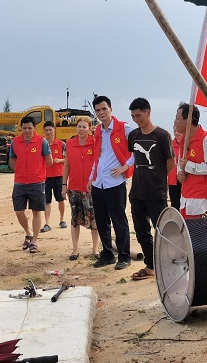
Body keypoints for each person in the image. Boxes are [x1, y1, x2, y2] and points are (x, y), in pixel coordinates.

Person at [127, 97, 174, 281]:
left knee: (161, 229)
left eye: (138, 115)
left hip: (156, 192)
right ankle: (150, 265)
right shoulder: (133, 136)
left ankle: (168, 262)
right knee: (141, 230)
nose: (136, 119)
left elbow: (171, 161)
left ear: (148, 112)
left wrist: (159, 177)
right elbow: (133, 158)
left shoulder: (162, 135)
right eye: (132, 116)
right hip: (137, 191)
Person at [88, 95, 133, 269]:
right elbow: (97, 156)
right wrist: (91, 178)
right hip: (99, 182)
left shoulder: (124, 128)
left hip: (115, 183)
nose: (101, 113)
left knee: (119, 220)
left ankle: (124, 255)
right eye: (98, 110)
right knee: (101, 220)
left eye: (104, 109)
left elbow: (138, 149)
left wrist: (125, 166)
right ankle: (107, 254)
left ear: (111, 109)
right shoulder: (98, 130)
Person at [9, 116, 53, 252]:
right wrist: (20, 171)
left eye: (30, 128)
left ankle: (34, 241)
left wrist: (37, 171)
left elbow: (49, 160)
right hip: (20, 182)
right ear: (21, 128)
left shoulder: (41, 141)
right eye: (24, 128)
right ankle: (28, 232)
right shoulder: (15, 142)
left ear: (34, 128)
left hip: (37, 182)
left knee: (36, 212)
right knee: (19, 211)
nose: (27, 131)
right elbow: (12, 160)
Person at [174, 103, 207, 216]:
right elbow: (180, 163)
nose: (174, 122)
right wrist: (179, 174)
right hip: (187, 195)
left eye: (177, 118)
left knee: (202, 232)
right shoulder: (183, 140)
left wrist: (189, 166)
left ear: (190, 119)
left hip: (204, 200)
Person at [62, 117, 99, 260]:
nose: (81, 129)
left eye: (84, 127)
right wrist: (64, 185)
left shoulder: (95, 143)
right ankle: (75, 249)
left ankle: (95, 249)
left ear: (89, 128)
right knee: (75, 219)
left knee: (94, 219)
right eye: (79, 126)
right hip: (74, 187)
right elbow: (66, 166)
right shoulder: (69, 144)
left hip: (91, 187)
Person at [42, 121, 67, 232]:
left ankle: (62, 220)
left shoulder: (62, 144)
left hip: (58, 176)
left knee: (60, 200)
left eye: (50, 130)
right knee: (46, 201)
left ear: (54, 130)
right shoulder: (41, 144)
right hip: (45, 177)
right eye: (46, 130)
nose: (48, 132)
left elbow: (68, 159)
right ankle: (47, 223)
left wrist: (59, 160)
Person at [168, 130, 183, 210]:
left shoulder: (187, 144)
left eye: (178, 131)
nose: (177, 133)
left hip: (184, 178)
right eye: (175, 131)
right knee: (175, 203)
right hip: (172, 178)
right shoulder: (170, 144)